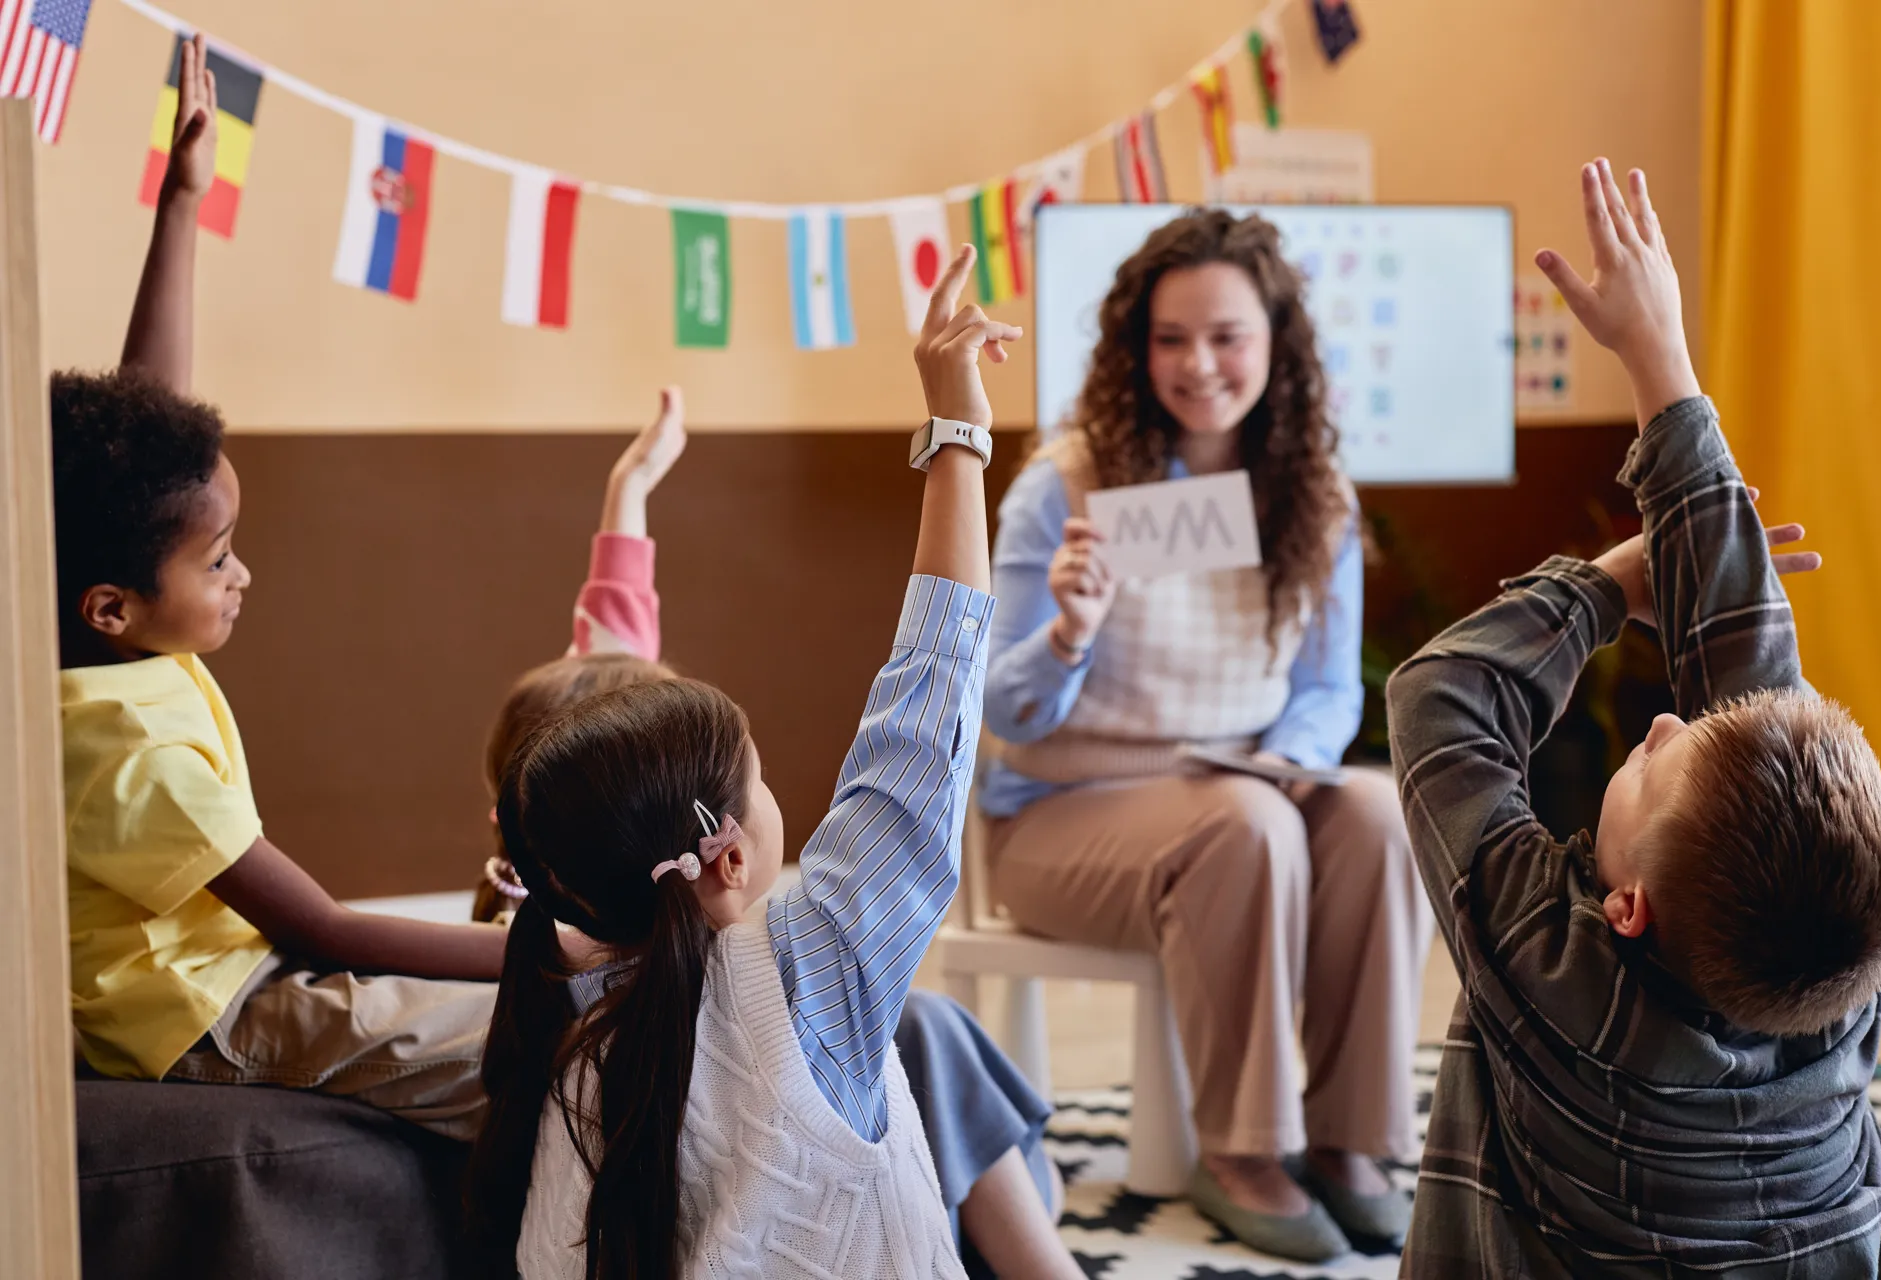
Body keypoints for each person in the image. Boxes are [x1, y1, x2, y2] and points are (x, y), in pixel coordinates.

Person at [470, 247, 1081, 1279]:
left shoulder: (572, 1050)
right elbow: (929, 699)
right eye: (755, 776)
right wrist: (958, 431)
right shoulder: (814, 974)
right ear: (726, 855)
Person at [1388, 159, 1881, 1277]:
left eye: (1655, 765)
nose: (1668, 727)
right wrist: (1659, 357)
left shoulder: (1557, 978)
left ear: (1625, 908)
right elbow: (1752, 684)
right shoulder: (1833, 985)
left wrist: (1604, 586)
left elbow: (1436, 697)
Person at [57, 35, 513, 1137]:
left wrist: (181, 202)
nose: (243, 574)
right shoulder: (129, 755)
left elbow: (148, 423)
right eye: (217, 560)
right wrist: (570, 951)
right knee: (537, 1043)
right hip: (214, 1012)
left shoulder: (88, 627)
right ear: (114, 605)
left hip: (239, 964)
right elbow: (325, 932)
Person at [982, 207, 1429, 1260]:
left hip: (1241, 782)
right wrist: (1068, 633)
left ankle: (1349, 1139)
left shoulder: (1314, 497)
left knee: (1376, 815)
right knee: (1245, 826)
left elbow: (1328, 690)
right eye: (1170, 338)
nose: (1198, 364)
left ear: (1277, 344)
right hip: (1058, 817)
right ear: (1136, 351)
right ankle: (1240, 1149)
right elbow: (999, 708)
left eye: (1227, 336)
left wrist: (1289, 762)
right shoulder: (1067, 483)